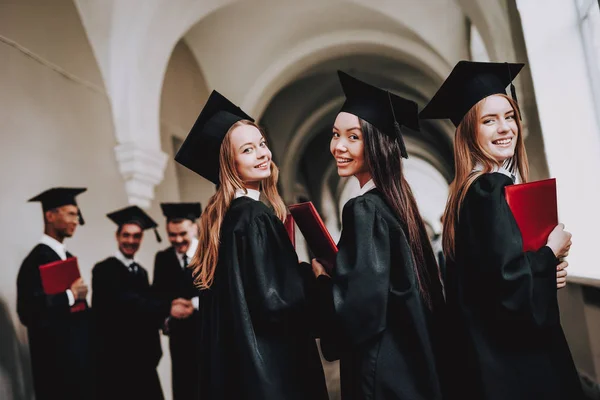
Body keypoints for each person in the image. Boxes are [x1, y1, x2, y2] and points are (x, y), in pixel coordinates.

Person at [419, 60, 583, 399]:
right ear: (469, 131)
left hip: (487, 361)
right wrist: (550, 251)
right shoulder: (489, 189)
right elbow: (510, 285)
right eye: (489, 120)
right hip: (515, 363)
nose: (505, 127)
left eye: (509, 116)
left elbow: (489, 279)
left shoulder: (467, 192)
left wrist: (543, 269)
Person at [174, 90, 328, 400]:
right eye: (247, 150)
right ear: (229, 163)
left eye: (262, 144)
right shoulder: (255, 215)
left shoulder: (226, 218)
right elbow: (274, 302)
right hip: (274, 372)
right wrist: (315, 279)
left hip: (243, 374)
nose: (262, 154)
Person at [311, 71, 448, 400]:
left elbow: (359, 310)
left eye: (353, 137)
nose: (338, 146)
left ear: (377, 145)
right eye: (335, 135)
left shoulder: (364, 210)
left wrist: (323, 282)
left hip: (381, 373)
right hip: (412, 367)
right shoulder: (399, 205)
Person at [17, 187, 94, 400]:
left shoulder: (66, 256)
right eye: (70, 213)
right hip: (55, 365)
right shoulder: (35, 261)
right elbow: (27, 311)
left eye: (77, 215)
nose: (76, 220)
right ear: (50, 215)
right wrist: (70, 295)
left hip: (78, 360)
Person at [92, 205, 168, 400]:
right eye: (126, 235)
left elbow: (146, 308)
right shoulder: (104, 270)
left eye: (136, 236)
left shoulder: (141, 272)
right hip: (117, 361)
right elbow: (128, 303)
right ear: (117, 236)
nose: (131, 241)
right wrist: (168, 307)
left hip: (143, 360)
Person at [152, 202, 202, 400]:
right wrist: (167, 312)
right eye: (172, 235)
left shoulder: (211, 254)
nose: (178, 240)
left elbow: (224, 292)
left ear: (194, 227)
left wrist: (195, 304)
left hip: (208, 333)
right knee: (184, 390)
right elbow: (157, 294)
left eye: (182, 233)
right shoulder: (163, 258)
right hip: (180, 338)